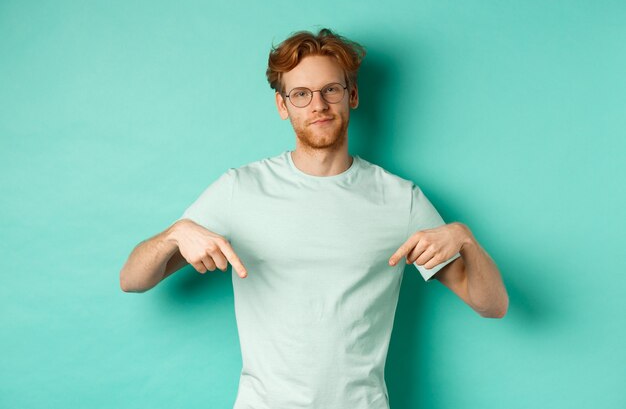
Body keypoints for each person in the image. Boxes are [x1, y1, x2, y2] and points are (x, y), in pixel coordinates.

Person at [119, 27, 509, 409]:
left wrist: (464, 238)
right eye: (301, 94)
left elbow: (491, 305)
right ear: (282, 105)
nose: (318, 105)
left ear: (352, 95)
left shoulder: (400, 199)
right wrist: (176, 233)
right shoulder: (240, 188)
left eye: (330, 90)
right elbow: (132, 279)